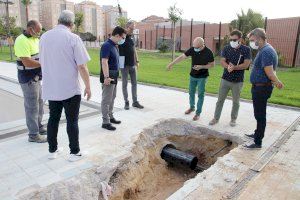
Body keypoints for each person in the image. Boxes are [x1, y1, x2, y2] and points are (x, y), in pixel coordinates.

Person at [39, 10, 91, 161]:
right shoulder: (73, 38)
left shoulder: (44, 37)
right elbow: (82, 66)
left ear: (58, 20)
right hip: (69, 89)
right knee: (72, 121)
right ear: (72, 23)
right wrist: (88, 86)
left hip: (51, 87)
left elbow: (42, 60)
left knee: (53, 119)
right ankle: (74, 153)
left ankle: (52, 151)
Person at [244, 28, 284, 149]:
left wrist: (277, 82)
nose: (251, 43)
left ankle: (258, 142)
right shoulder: (265, 49)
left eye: (252, 40)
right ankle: (257, 134)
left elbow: (270, 72)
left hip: (261, 88)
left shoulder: (266, 51)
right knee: (258, 114)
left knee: (260, 115)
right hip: (259, 87)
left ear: (260, 38)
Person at [14, 20, 47, 143]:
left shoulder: (35, 39)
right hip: (28, 78)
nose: (38, 33)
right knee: (32, 106)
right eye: (37, 31)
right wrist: (44, 64)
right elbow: (27, 62)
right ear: (30, 28)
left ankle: (39, 127)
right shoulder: (21, 40)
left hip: (36, 77)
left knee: (39, 104)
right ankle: (33, 135)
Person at [209, 30, 251, 127]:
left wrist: (234, 67)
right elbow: (222, 61)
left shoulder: (246, 49)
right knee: (220, 100)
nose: (232, 41)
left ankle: (233, 119)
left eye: (234, 39)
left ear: (240, 39)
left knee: (236, 101)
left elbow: (246, 64)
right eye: (231, 39)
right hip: (225, 79)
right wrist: (228, 66)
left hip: (238, 81)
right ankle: (216, 118)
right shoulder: (226, 48)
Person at [167, 37, 215, 121]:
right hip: (192, 75)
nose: (194, 49)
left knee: (200, 95)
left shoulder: (208, 52)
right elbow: (182, 57)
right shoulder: (193, 49)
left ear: (202, 45)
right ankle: (192, 107)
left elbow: (212, 65)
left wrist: (202, 67)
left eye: (196, 48)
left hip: (202, 77)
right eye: (194, 47)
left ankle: (198, 113)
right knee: (191, 92)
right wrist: (171, 64)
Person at [100, 26, 127, 131]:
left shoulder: (115, 46)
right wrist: (106, 77)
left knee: (112, 97)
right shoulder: (106, 45)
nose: (122, 40)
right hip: (108, 76)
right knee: (106, 99)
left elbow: (115, 60)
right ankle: (105, 122)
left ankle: (110, 117)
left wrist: (118, 72)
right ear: (116, 35)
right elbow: (104, 61)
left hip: (114, 75)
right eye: (122, 38)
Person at [119, 21, 144, 110]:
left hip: (132, 64)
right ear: (126, 27)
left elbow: (134, 50)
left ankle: (135, 101)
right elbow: (117, 47)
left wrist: (137, 60)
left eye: (133, 28)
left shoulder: (131, 38)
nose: (132, 30)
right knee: (124, 84)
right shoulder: (121, 37)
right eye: (131, 28)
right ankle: (126, 102)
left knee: (134, 83)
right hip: (124, 65)